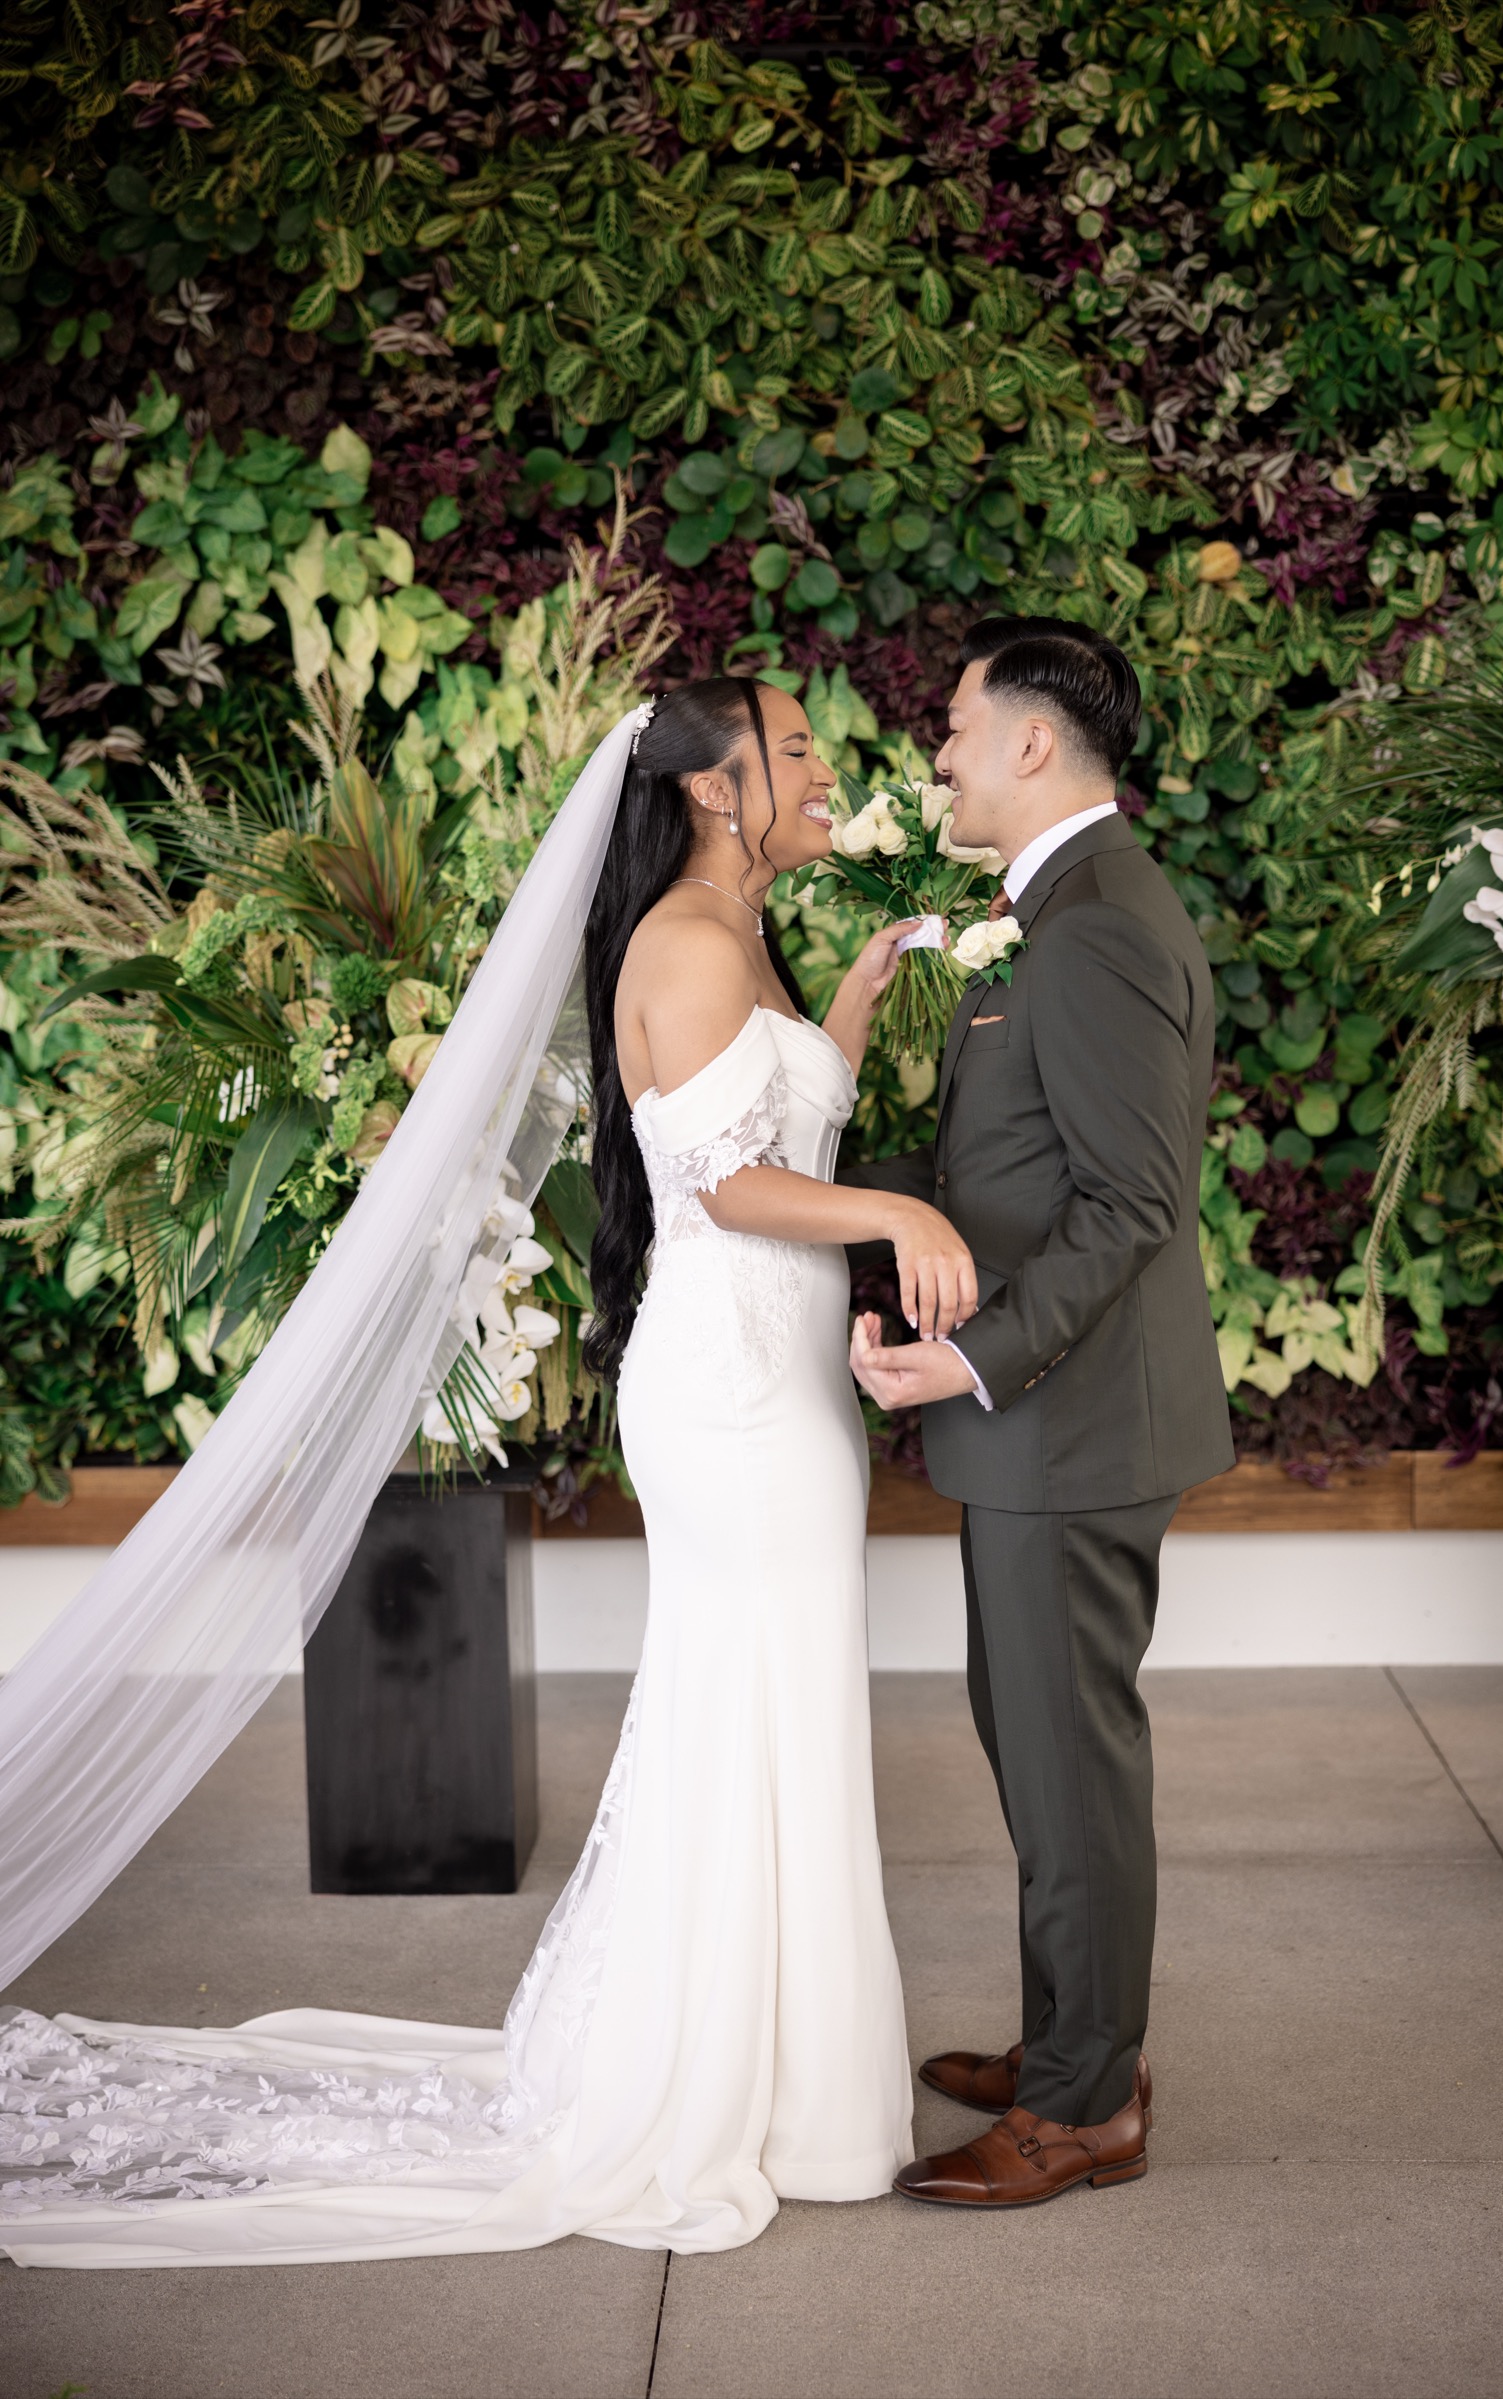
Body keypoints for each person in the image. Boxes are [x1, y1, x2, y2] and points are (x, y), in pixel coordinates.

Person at [0, 678, 975, 2266]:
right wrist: (904, 1216)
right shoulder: (684, 940)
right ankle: (718, 2085)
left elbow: (781, 1116)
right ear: (720, 790)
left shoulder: (743, 944)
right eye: (793, 749)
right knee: (750, 1701)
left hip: (782, 1388)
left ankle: (789, 2082)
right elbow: (732, 1190)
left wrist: (855, 997)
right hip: (730, 1395)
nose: (823, 770)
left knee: (780, 1700)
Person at [848, 617, 1233, 2209]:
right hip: (1040, 1425)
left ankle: (1084, 2108)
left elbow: (1134, 1198)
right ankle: (1081, 2036)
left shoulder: (1091, 930)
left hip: (1063, 1422)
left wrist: (978, 1356)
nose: (933, 750)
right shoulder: (1057, 910)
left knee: (1071, 1763)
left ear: (1030, 742)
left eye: (953, 723)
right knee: (1040, 1747)